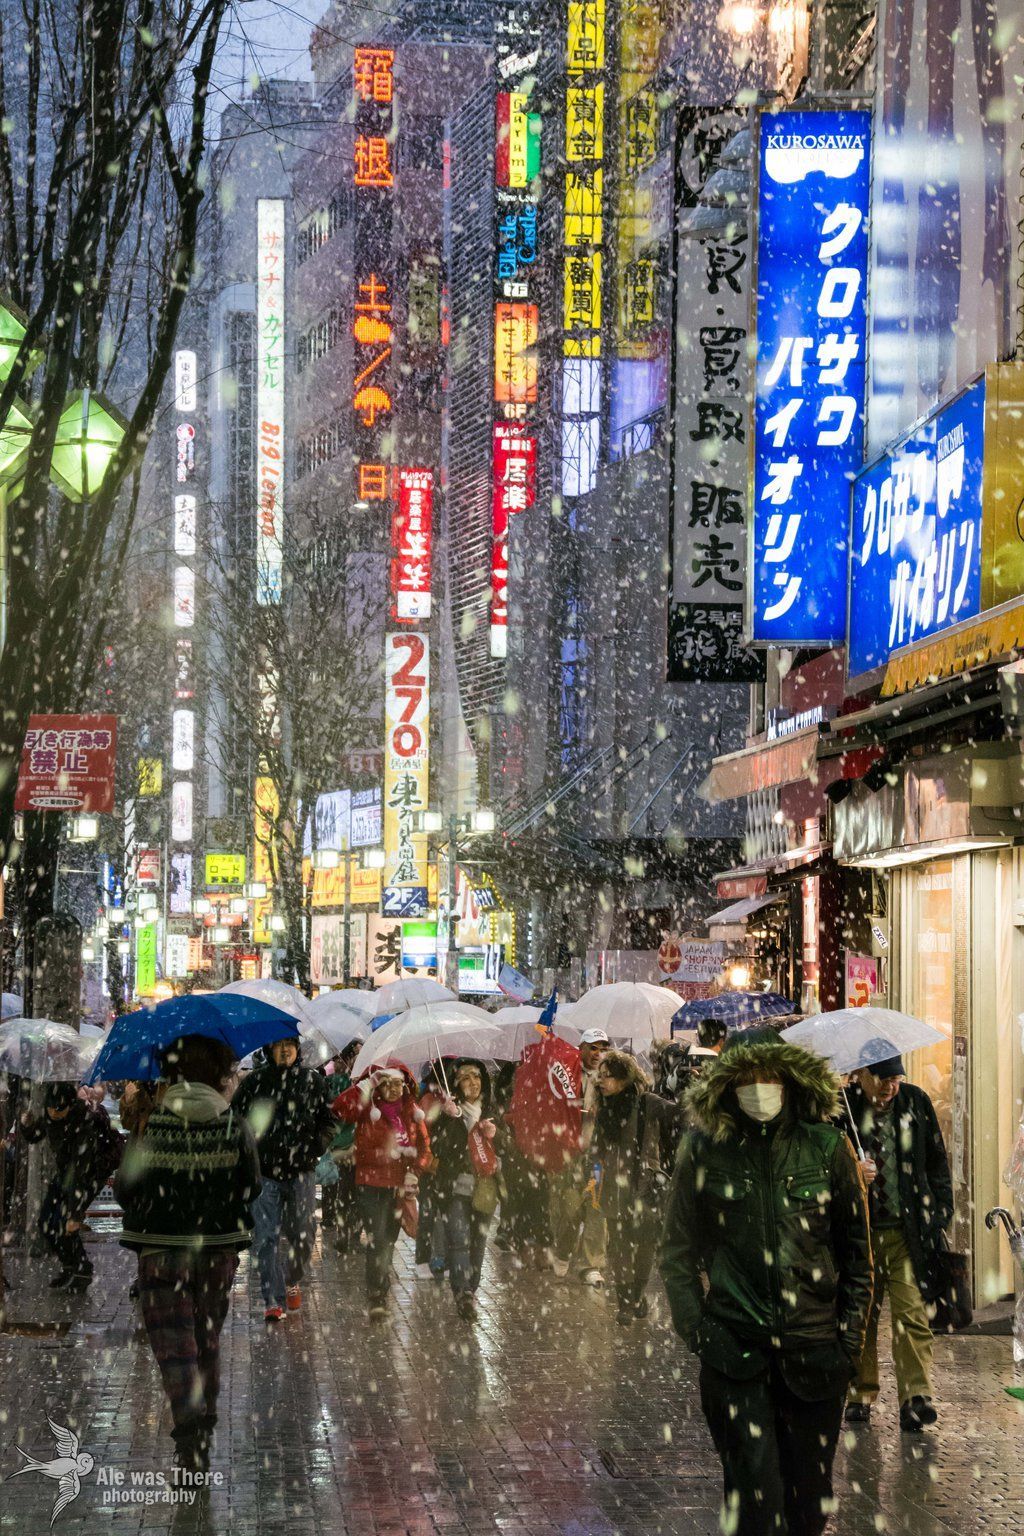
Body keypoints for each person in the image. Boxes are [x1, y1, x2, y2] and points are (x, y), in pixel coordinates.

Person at [661, 1035, 872, 1536]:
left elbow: (857, 1258)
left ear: (789, 1081)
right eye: (749, 1078)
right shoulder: (706, 1148)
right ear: (730, 1084)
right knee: (756, 1500)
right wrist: (700, 1332)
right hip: (735, 1354)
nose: (760, 1088)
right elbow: (677, 1252)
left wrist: (848, 1342)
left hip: (815, 1356)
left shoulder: (826, 1146)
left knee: (810, 1504)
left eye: (770, 1077)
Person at [116, 1035, 260, 1476]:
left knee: (175, 1349)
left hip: (160, 1252)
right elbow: (251, 1185)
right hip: (215, 1252)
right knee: (206, 1337)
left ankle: (189, 1437)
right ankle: (205, 1421)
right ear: (217, 1077)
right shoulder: (233, 1124)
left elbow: (126, 1189)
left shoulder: (155, 1124)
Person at [843, 1049, 953, 1432]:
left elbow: (936, 1161)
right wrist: (853, 1173)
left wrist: (940, 1213)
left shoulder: (916, 1102)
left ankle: (916, 1396)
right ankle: (860, 1392)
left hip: (907, 1233)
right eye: (882, 1078)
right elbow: (830, 1168)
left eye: (896, 1078)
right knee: (862, 1315)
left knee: (912, 1315)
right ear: (862, 1075)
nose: (890, 1087)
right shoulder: (846, 1108)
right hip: (862, 1232)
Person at [232, 1035, 337, 1322]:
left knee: (303, 1233)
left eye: (289, 1044)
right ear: (269, 1049)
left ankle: (292, 1277)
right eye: (277, 1045)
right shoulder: (255, 1082)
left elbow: (330, 1119)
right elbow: (236, 1119)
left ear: (297, 1049)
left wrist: (317, 1145)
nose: (284, 1050)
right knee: (265, 1238)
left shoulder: (313, 1081)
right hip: (265, 1173)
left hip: (301, 1170)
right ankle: (272, 1298)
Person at [332, 1064, 431, 1320]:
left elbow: (424, 1147)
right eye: (385, 1083)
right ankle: (377, 1296)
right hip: (370, 1184)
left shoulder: (412, 1111)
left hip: (399, 1188)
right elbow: (341, 1109)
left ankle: (380, 1287)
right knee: (377, 1239)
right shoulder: (368, 1108)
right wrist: (365, 1085)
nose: (392, 1089)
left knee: (388, 1239)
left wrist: (415, 1172)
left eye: (397, 1083)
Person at [592, 1051, 682, 1325]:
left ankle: (637, 1293)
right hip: (614, 1191)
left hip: (645, 1190)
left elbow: (677, 1114)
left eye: (608, 1076)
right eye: (600, 1076)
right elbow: (597, 1150)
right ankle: (625, 1302)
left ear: (623, 1077)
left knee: (644, 1249)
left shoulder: (646, 1103)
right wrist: (591, 1179)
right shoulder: (604, 1109)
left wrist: (689, 1089)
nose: (602, 1081)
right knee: (619, 1249)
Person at [21, 1081, 123, 1291]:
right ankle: (70, 1266)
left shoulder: (84, 1123)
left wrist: (75, 1215)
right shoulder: (51, 1115)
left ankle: (81, 1271)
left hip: (90, 1174)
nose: (54, 1114)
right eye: (50, 1109)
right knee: (46, 1222)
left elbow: (81, 1171)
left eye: (59, 1110)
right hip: (65, 1173)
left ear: (70, 1105)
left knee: (67, 1224)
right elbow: (35, 1135)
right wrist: (26, 1125)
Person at [430, 1059, 499, 1321]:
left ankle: (472, 1287)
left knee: (479, 1243)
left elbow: (508, 1150)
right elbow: (437, 1147)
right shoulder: (449, 1111)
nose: (473, 1082)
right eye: (466, 1077)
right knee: (459, 1241)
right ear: (456, 1083)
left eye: (477, 1076)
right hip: (456, 1186)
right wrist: (450, 1121)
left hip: (484, 1188)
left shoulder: (491, 1111)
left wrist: (496, 1136)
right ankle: (463, 1294)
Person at [549, 1027, 609, 1284]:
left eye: (602, 1048)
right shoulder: (567, 1074)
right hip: (568, 1154)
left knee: (597, 1207)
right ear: (582, 1048)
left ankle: (591, 1263)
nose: (598, 1054)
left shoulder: (609, 1079)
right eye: (593, 1048)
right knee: (569, 1208)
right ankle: (563, 1251)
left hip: (596, 1157)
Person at [320, 1042, 361, 1255]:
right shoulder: (348, 1084)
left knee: (340, 1186)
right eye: (355, 1054)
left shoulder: (361, 1083)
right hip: (347, 1145)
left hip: (347, 1144)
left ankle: (338, 1225)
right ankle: (346, 1231)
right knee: (347, 1189)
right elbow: (338, 1112)